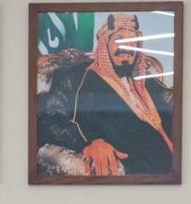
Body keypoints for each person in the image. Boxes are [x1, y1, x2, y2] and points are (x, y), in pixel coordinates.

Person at [37, 13, 174, 176]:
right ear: (104, 43)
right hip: (138, 169)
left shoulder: (145, 79)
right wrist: (90, 143)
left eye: (132, 40)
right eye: (119, 39)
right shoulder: (77, 78)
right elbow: (49, 121)